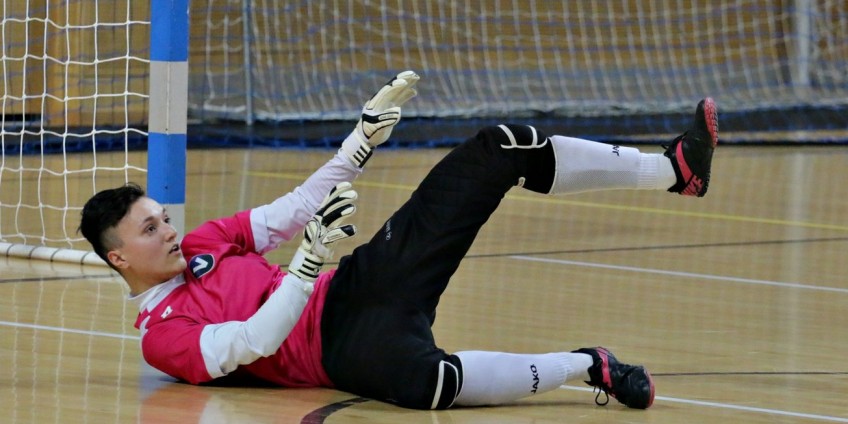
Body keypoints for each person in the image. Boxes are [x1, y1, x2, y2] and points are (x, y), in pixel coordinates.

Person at [79, 70, 719, 411]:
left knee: (498, 147)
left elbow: (294, 209)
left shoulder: (204, 243)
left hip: (357, 286)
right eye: (150, 228)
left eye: (163, 218)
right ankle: (588, 365)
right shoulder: (162, 337)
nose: (169, 230)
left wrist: (360, 142)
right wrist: (305, 265)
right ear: (118, 257)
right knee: (429, 386)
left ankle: (674, 170)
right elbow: (254, 342)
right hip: (342, 351)